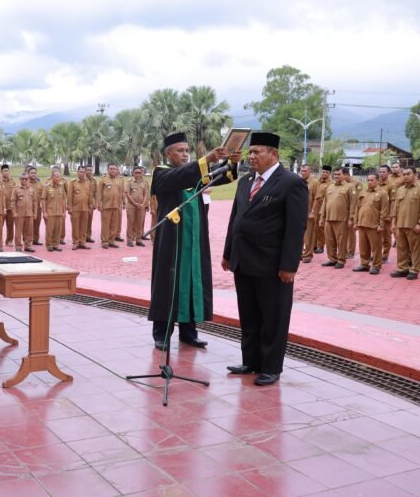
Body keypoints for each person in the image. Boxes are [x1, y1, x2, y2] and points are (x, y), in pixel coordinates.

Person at [223, 132, 308, 386]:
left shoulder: (291, 183)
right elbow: (235, 219)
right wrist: (229, 253)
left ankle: (271, 367)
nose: (251, 157)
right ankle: (251, 361)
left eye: (257, 152)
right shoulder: (246, 180)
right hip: (243, 261)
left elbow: (296, 227)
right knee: (249, 315)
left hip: (272, 264)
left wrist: (289, 265)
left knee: (273, 317)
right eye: (250, 152)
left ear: (274, 154)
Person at [149, 132, 239, 350]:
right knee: (169, 283)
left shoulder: (194, 174)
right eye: (180, 151)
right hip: (172, 241)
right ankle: (162, 334)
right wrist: (206, 160)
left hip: (195, 240)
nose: (185, 154)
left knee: (191, 281)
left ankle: (189, 332)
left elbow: (222, 177)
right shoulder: (161, 173)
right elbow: (179, 178)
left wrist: (231, 163)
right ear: (168, 153)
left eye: (187, 151)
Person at [319, 168, 356, 269]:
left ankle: (341, 260)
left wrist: (351, 218)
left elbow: (353, 204)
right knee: (329, 240)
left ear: (344, 175)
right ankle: (332, 259)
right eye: (335, 174)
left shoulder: (350, 187)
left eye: (339, 174)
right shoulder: (330, 187)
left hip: (341, 219)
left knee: (341, 241)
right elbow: (324, 203)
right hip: (328, 218)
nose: (336, 176)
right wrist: (322, 217)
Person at [353, 173, 389, 274]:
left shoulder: (383, 193)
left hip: (374, 225)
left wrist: (381, 224)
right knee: (363, 246)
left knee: (376, 247)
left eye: (372, 180)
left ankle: (376, 266)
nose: (369, 182)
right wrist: (356, 222)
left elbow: (384, 210)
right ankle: (364, 264)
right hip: (362, 223)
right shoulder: (363, 192)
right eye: (368, 180)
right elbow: (357, 208)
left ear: (377, 181)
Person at [390, 167, 420, 280]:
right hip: (400, 224)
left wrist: (419, 223)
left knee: (415, 249)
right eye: (404, 174)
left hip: (413, 225)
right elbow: (395, 207)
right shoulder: (400, 189)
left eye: (408, 174)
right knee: (401, 248)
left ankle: (414, 269)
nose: (406, 176)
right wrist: (393, 223)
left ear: (415, 174)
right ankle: (402, 268)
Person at [96, 164, 125, 249]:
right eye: (111, 169)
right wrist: (99, 204)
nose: (113, 170)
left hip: (116, 205)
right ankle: (104, 241)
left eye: (114, 169)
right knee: (105, 224)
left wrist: (123, 203)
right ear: (108, 169)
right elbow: (99, 193)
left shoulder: (119, 180)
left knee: (114, 224)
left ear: (117, 170)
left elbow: (122, 192)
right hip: (106, 205)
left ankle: (111, 241)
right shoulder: (103, 179)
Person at [68, 165, 92, 250]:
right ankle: (75, 242)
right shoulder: (73, 182)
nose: (82, 173)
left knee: (83, 226)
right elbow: (70, 196)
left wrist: (90, 206)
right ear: (78, 172)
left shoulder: (88, 182)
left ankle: (82, 242)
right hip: (75, 208)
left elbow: (90, 195)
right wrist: (69, 207)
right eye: (80, 172)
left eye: (84, 172)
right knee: (75, 226)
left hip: (85, 208)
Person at [41, 170, 67, 251]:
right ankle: (49, 245)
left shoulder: (61, 187)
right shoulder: (47, 187)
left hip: (59, 212)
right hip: (50, 212)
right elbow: (43, 200)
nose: (58, 178)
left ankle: (56, 244)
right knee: (50, 230)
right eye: (56, 177)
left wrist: (64, 211)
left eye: (59, 177)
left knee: (58, 230)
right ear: (52, 177)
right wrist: (44, 212)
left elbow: (63, 200)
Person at [125, 166, 150, 247]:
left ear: (142, 173)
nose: (138, 174)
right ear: (133, 173)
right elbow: (127, 194)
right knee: (131, 223)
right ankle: (129, 239)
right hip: (131, 206)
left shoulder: (145, 182)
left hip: (141, 206)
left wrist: (143, 204)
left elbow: (146, 194)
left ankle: (138, 239)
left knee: (139, 223)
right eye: (136, 172)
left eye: (139, 172)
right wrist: (135, 203)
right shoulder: (129, 182)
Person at [12, 173, 36, 252]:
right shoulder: (16, 189)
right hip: (19, 214)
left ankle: (28, 245)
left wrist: (35, 213)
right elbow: (13, 202)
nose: (24, 180)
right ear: (20, 179)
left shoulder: (31, 189)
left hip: (29, 214)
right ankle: (18, 246)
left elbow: (35, 202)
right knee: (18, 231)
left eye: (26, 179)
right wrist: (14, 212)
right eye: (23, 179)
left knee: (29, 231)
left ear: (28, 180)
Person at [299, 165, 318, 263]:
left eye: (305, 171)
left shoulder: (314, 183)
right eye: (302, 171)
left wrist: (313, 212)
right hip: (298, 212)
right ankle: (299, 253)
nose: (303, 173)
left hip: (308, 212)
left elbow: (316, 198)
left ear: (309, 171)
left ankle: (308, 254)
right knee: (298, 234)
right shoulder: (297, 181)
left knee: (308, 235)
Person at [377, 164, 396, 262]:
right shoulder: (376, 183)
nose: (381, 174)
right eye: (380, 172)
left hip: (386, 215)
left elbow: (393, 201)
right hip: (375, 214)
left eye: (384, 172)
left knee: (386, 236)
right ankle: (377, 254)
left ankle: (385, 255)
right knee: (376, 235)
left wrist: (390, 215)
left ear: (388, 173)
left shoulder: (391, 186)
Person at [313, 165, 332, 253]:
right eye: (323, 172)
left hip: (323, 208)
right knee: (313, 227)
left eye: (326, 172)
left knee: (320, 227)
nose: (324, 173)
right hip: (314, 207)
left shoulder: (331, 184)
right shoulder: (316, 182)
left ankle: (320, 246)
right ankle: (313, 245)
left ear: (329, 173)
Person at [28, 166, 44, 246]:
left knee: (37, 224)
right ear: (28, 174)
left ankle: (35, 239)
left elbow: (43, 196)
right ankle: (27, 240)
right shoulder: (26, 183)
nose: (33, 174)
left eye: (34, 173)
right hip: (28, 208)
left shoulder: (40, 184)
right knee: (28, 225)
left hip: (37, 207)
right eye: (32, 173)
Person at [0, 164, 16, 246]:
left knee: (10, 226)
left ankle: (9, 240)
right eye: (4, 171)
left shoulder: (12, 182)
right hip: (1, 208)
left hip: (10, 207)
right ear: (1, 172)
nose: (6, 172)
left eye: (7, 171)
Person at [85, 165, 98, 243]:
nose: (89, 171)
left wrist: (96, 203)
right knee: (83, 221)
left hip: (90, 203)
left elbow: (96, 193)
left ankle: (88, 236)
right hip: (83, 203)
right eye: (88, 170)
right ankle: (82, 237)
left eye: (91, 170)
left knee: (89, 221)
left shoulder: (94, 180)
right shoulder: (83, 179)